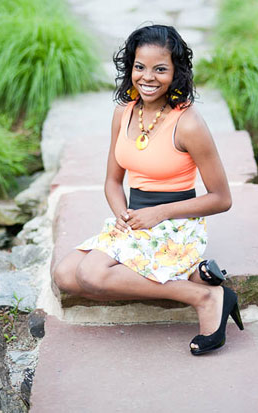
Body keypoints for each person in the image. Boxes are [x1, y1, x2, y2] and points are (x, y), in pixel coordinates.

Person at [52, 24, 243, 355]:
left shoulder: (189, 123)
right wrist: (121, 213)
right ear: (130, 67)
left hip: (176, 222)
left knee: (93, 275)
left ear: (176, 72)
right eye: (140, 67)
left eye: (160, 69)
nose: (148, 77)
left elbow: (221, 199)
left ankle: (206, 296)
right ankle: (195, 279)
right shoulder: (123, 113)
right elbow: (112, 181)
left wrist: (159, 213)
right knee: (66, 275)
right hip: (136, 220)